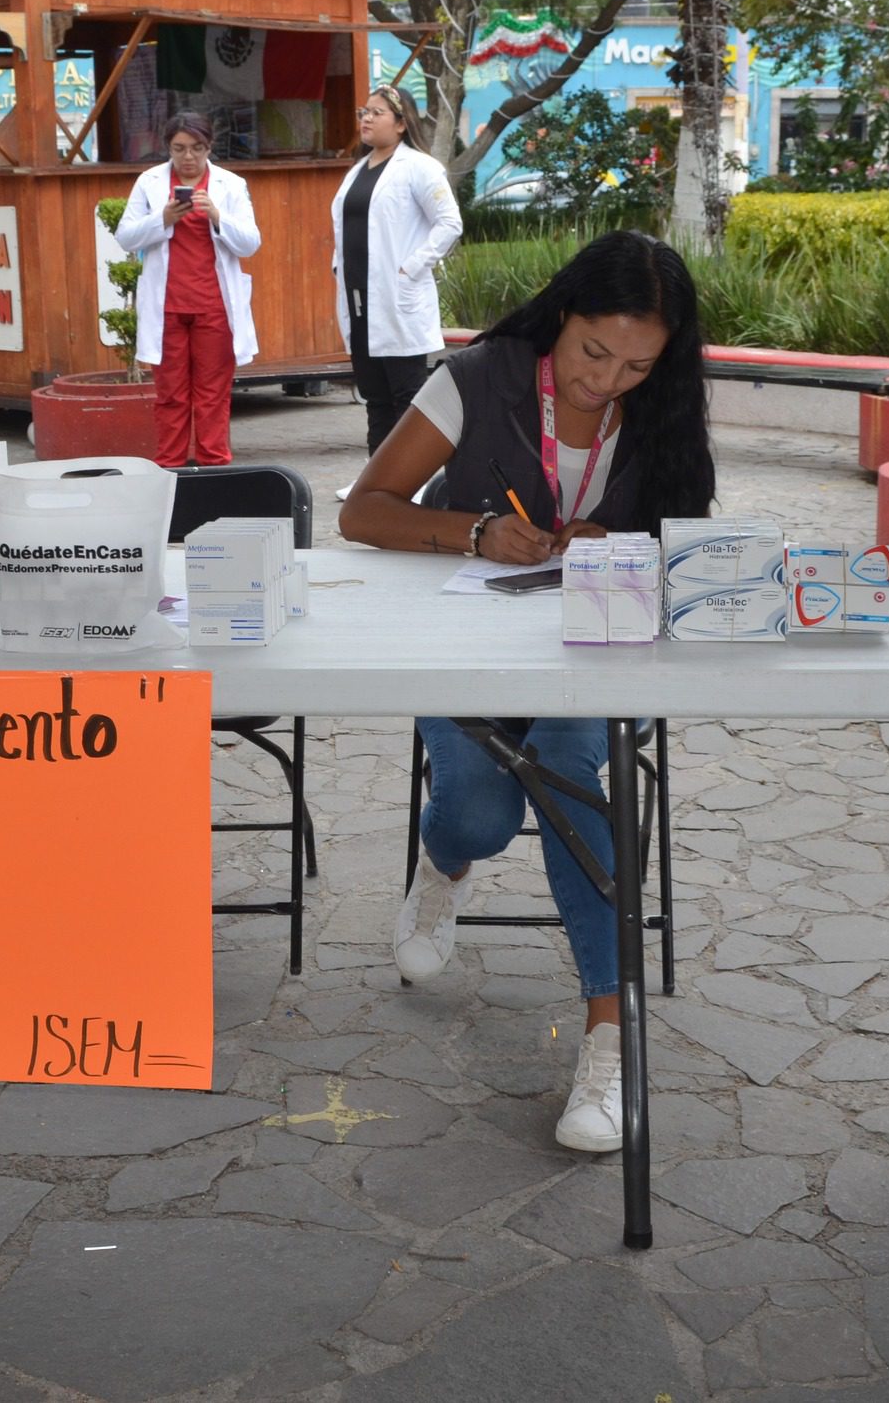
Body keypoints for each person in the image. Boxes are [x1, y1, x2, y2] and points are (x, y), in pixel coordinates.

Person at [340, 231, 715, 1152]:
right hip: (465, 645)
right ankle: (445, 865)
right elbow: (362, 509)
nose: (607, 381)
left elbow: (689, 551)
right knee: (479, 815)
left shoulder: (662, 403)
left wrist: (621, 548)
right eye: (594, 353)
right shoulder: (477, 379)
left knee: (564, 762)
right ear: (561, 316)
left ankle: (608, 1038)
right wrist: (471, 533)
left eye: (638, 364)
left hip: (597, 656)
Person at [115, 113, 262, 467]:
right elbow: (125, 236)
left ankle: (214, 465)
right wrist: (162, 218)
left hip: (214, 306)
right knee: (170, 395)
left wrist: (217, 215)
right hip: (166, 308)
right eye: (179, 149)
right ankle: (170, 467)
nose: (188, 158)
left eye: (197, 148)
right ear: (168, 148)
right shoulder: (149, 182)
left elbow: (250, 244)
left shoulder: (230, 184)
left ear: (209, 147)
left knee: (212, 395)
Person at [331, 82, 463, 455]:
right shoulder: (357, 170)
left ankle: (410, 482)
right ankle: (375, 483)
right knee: (375, 398)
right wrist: (338, 266)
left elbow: (449, 223)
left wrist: (412, 268)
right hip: (360, 301)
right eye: (364, 112)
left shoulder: (419, 167)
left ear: (402, 123)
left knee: (406, 397)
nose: (367, 119)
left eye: (376, 113)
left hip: (398, 299)